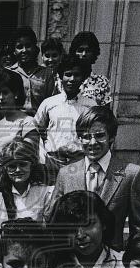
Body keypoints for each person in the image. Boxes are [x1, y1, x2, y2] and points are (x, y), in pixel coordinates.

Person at [49, 105, 140, 250]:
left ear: (112, 137)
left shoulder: (131, 175)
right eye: (86, 137)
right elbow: (52, 219)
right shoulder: (66, 174)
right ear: (79, 139)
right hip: (73, 257)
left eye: (99, 135)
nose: (92, 143)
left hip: (111, 257)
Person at [50, 190, 127, 268]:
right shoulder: (52, 267)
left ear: (103, 223)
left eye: (88, 224)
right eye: (71, 228)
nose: (80, 235)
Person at [32, 53, 94, 182]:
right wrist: (43, 155)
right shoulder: (49, 103)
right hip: (52, 162)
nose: (72, 79)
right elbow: (36, 129)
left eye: (77, 75)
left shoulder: (90, 106)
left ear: (83, 78)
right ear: (61, 76)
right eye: (68, 74)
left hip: (79, 161)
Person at [0, 68, 38, 157]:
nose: (1, 97)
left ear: (16, 93)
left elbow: (29, 157)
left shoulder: (28, 123)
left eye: (5, 92)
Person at [0, 138, 51, 224]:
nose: (18, 170)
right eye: (12, 166)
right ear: (5, 168)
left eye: (23, 164)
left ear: (32, 165)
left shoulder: (45, 192)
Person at [10, 26, 57, 114]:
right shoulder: (9, 73)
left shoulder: (46, 74)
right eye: (20, 47)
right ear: (14, 51)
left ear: (35, 48)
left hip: (39, 121)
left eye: (28, 46)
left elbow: (52, 105)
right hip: (15, 121)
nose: (24, 50)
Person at [69, 31, 112, 106]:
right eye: (80, 50)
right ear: (74, 52)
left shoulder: (101, 81)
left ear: (94, 53)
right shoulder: (64, 80)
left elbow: (105, 111)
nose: (84, 54)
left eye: (88, 51)